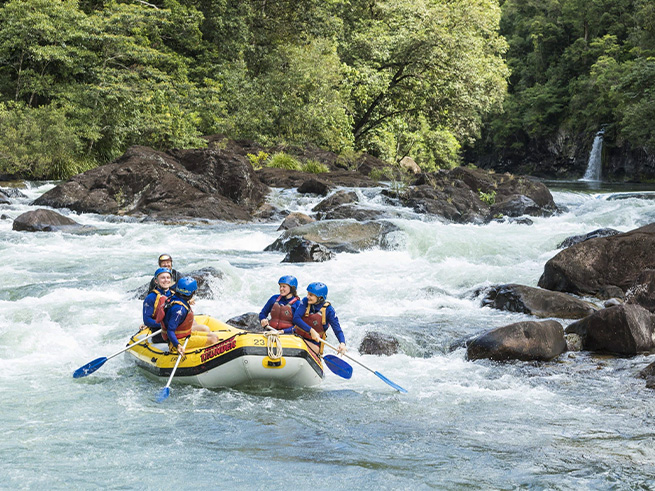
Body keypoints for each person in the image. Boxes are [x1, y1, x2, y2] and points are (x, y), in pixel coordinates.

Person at [161, 276, 218, 357]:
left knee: (213, 336)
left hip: (185, 335)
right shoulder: (179, 310)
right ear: (191, 293)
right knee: (213, 339)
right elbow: (170, 331)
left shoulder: (175, 298)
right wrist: (178, 345)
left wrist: (187, 301)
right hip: (179, 341)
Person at [292, 282, 346, 355]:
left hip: (313, 344)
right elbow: (296, 319)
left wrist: (342, 343)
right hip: (297, 337)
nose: (307, 296)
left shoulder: (329, 310)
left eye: (311, 295)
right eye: (308, 294)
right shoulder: (305, 301)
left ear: (320, 297)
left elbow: (337, 329)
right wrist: (311, 330)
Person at [141, 267, 173, 343]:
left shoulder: (174, 295)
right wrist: (165, 325)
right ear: (156, 281)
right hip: (159, 333)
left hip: (175, 330)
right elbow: (147, 320)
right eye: (163, 278)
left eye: (168, 278)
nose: (166, 280)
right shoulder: (151, 297)